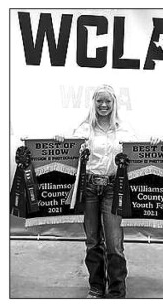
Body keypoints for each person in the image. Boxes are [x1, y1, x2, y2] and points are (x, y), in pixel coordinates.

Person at [56, 84, 160, 298]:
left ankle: (116, 290)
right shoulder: (83, 128)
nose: (103, 105)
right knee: (92, 240)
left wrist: (154, 142)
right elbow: (69, 149)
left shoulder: (124, 129)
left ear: (114, 104)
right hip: (89, 189)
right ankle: (95, 286)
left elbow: (138, 152)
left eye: (108, 101)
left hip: (114, 189)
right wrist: (60, 139)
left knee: (114, 242)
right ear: (93, 103)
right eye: (99, 101)